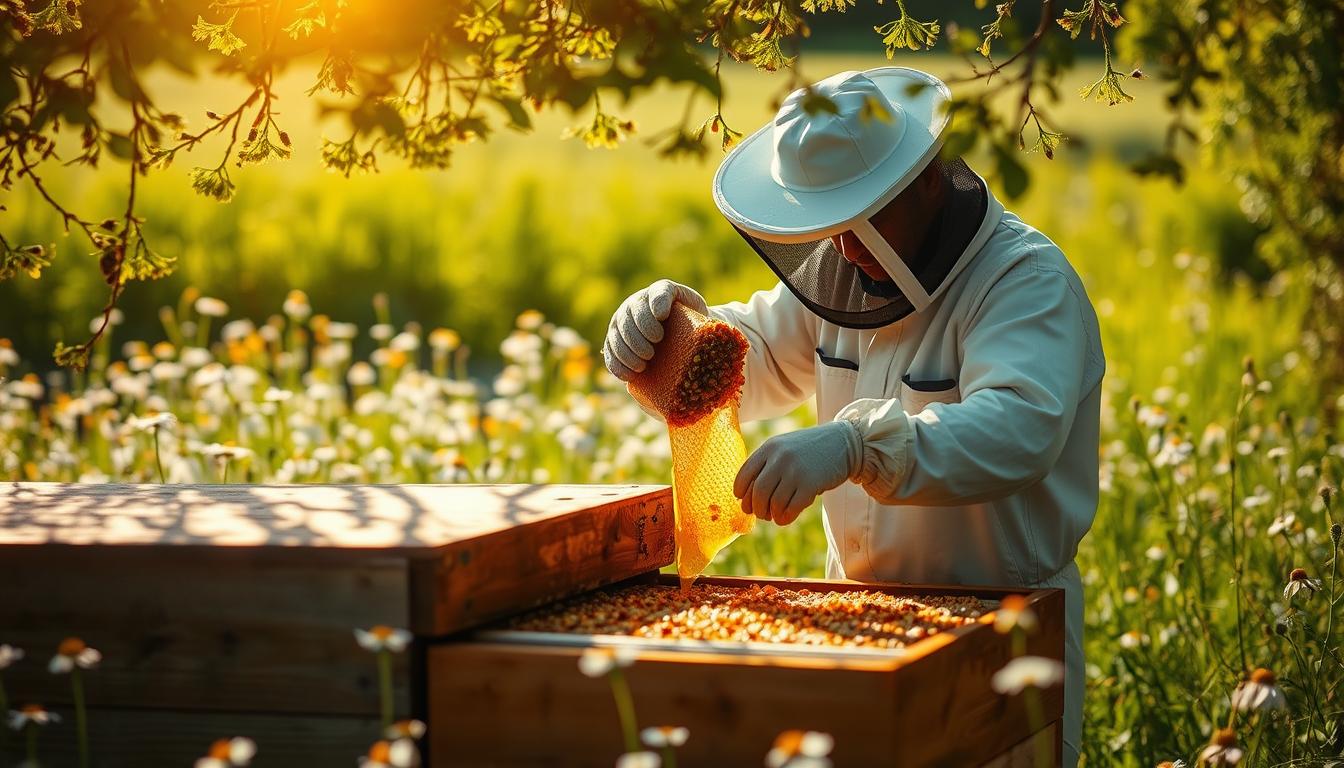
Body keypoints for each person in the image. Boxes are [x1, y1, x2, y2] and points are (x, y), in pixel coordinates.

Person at [602, 67, 1102, 766]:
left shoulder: (1023, 280)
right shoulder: (842, 272)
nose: (844, 247)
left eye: (864, 219)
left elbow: (1020, 430)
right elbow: (751, 365)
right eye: (828, 226)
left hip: (1007, 633)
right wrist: (670, 337)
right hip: (864, 626)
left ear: (927, 179)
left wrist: (855, 446)